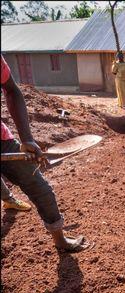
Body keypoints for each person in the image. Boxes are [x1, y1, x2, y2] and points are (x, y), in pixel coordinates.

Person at [1, 54, 89, 252]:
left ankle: (60, 240)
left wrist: (27, 139)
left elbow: (12, 91)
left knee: (39, 187)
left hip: (2, 141)